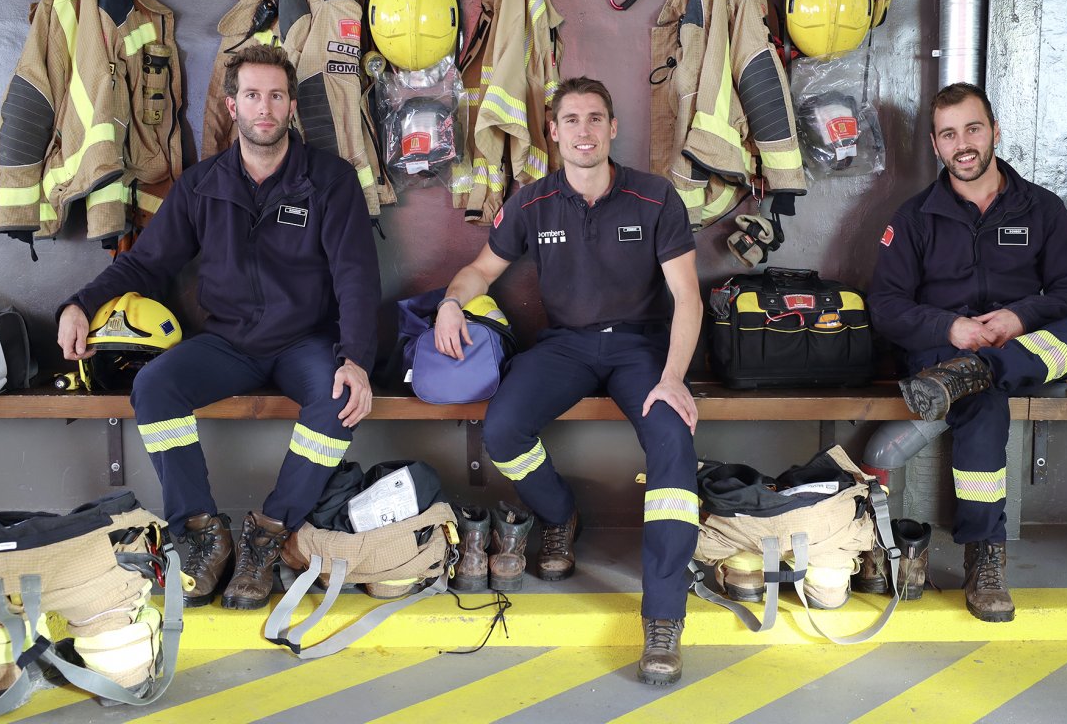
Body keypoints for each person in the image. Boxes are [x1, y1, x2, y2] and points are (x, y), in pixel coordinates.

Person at [56, 44, 379, 611]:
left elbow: (356, 277)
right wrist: (80, 304)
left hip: (304, 342)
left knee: (336, 402)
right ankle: (203, 532)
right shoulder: (203, 184)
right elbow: (144, 264)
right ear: (232, 105)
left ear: (290, 107)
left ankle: (268, 534)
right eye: (252, 95)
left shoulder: (330, 181)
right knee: (155, 385)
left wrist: (355, 358)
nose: (265, 107)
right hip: (228, 342)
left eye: (276, 96)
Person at [434, 77, 701, 685]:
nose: (584, 130)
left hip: (641, 349)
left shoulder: (656, 197)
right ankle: (559, 515)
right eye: (572, 120)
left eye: (595, 118)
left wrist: (675, 378)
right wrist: (451, 302)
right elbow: (481, 269)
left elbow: (688, 298)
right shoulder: (532, 201)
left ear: (613, 128)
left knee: (672, 440)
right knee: (501, 429)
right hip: (567, 347)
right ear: (553, 132)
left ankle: (664, 618)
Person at [868, 82, 1067, 622]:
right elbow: (886, 307)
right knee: (982, 403)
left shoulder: (1043, 209)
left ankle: (981, 370)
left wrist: (1020, 317)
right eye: (948, 134)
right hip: (940, 358)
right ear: (936, 145)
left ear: (995, 132)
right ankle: (985, 556)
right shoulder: (914, 218)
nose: (963, 144)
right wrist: (951, 328)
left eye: (973, 129)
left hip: (1028, 350)